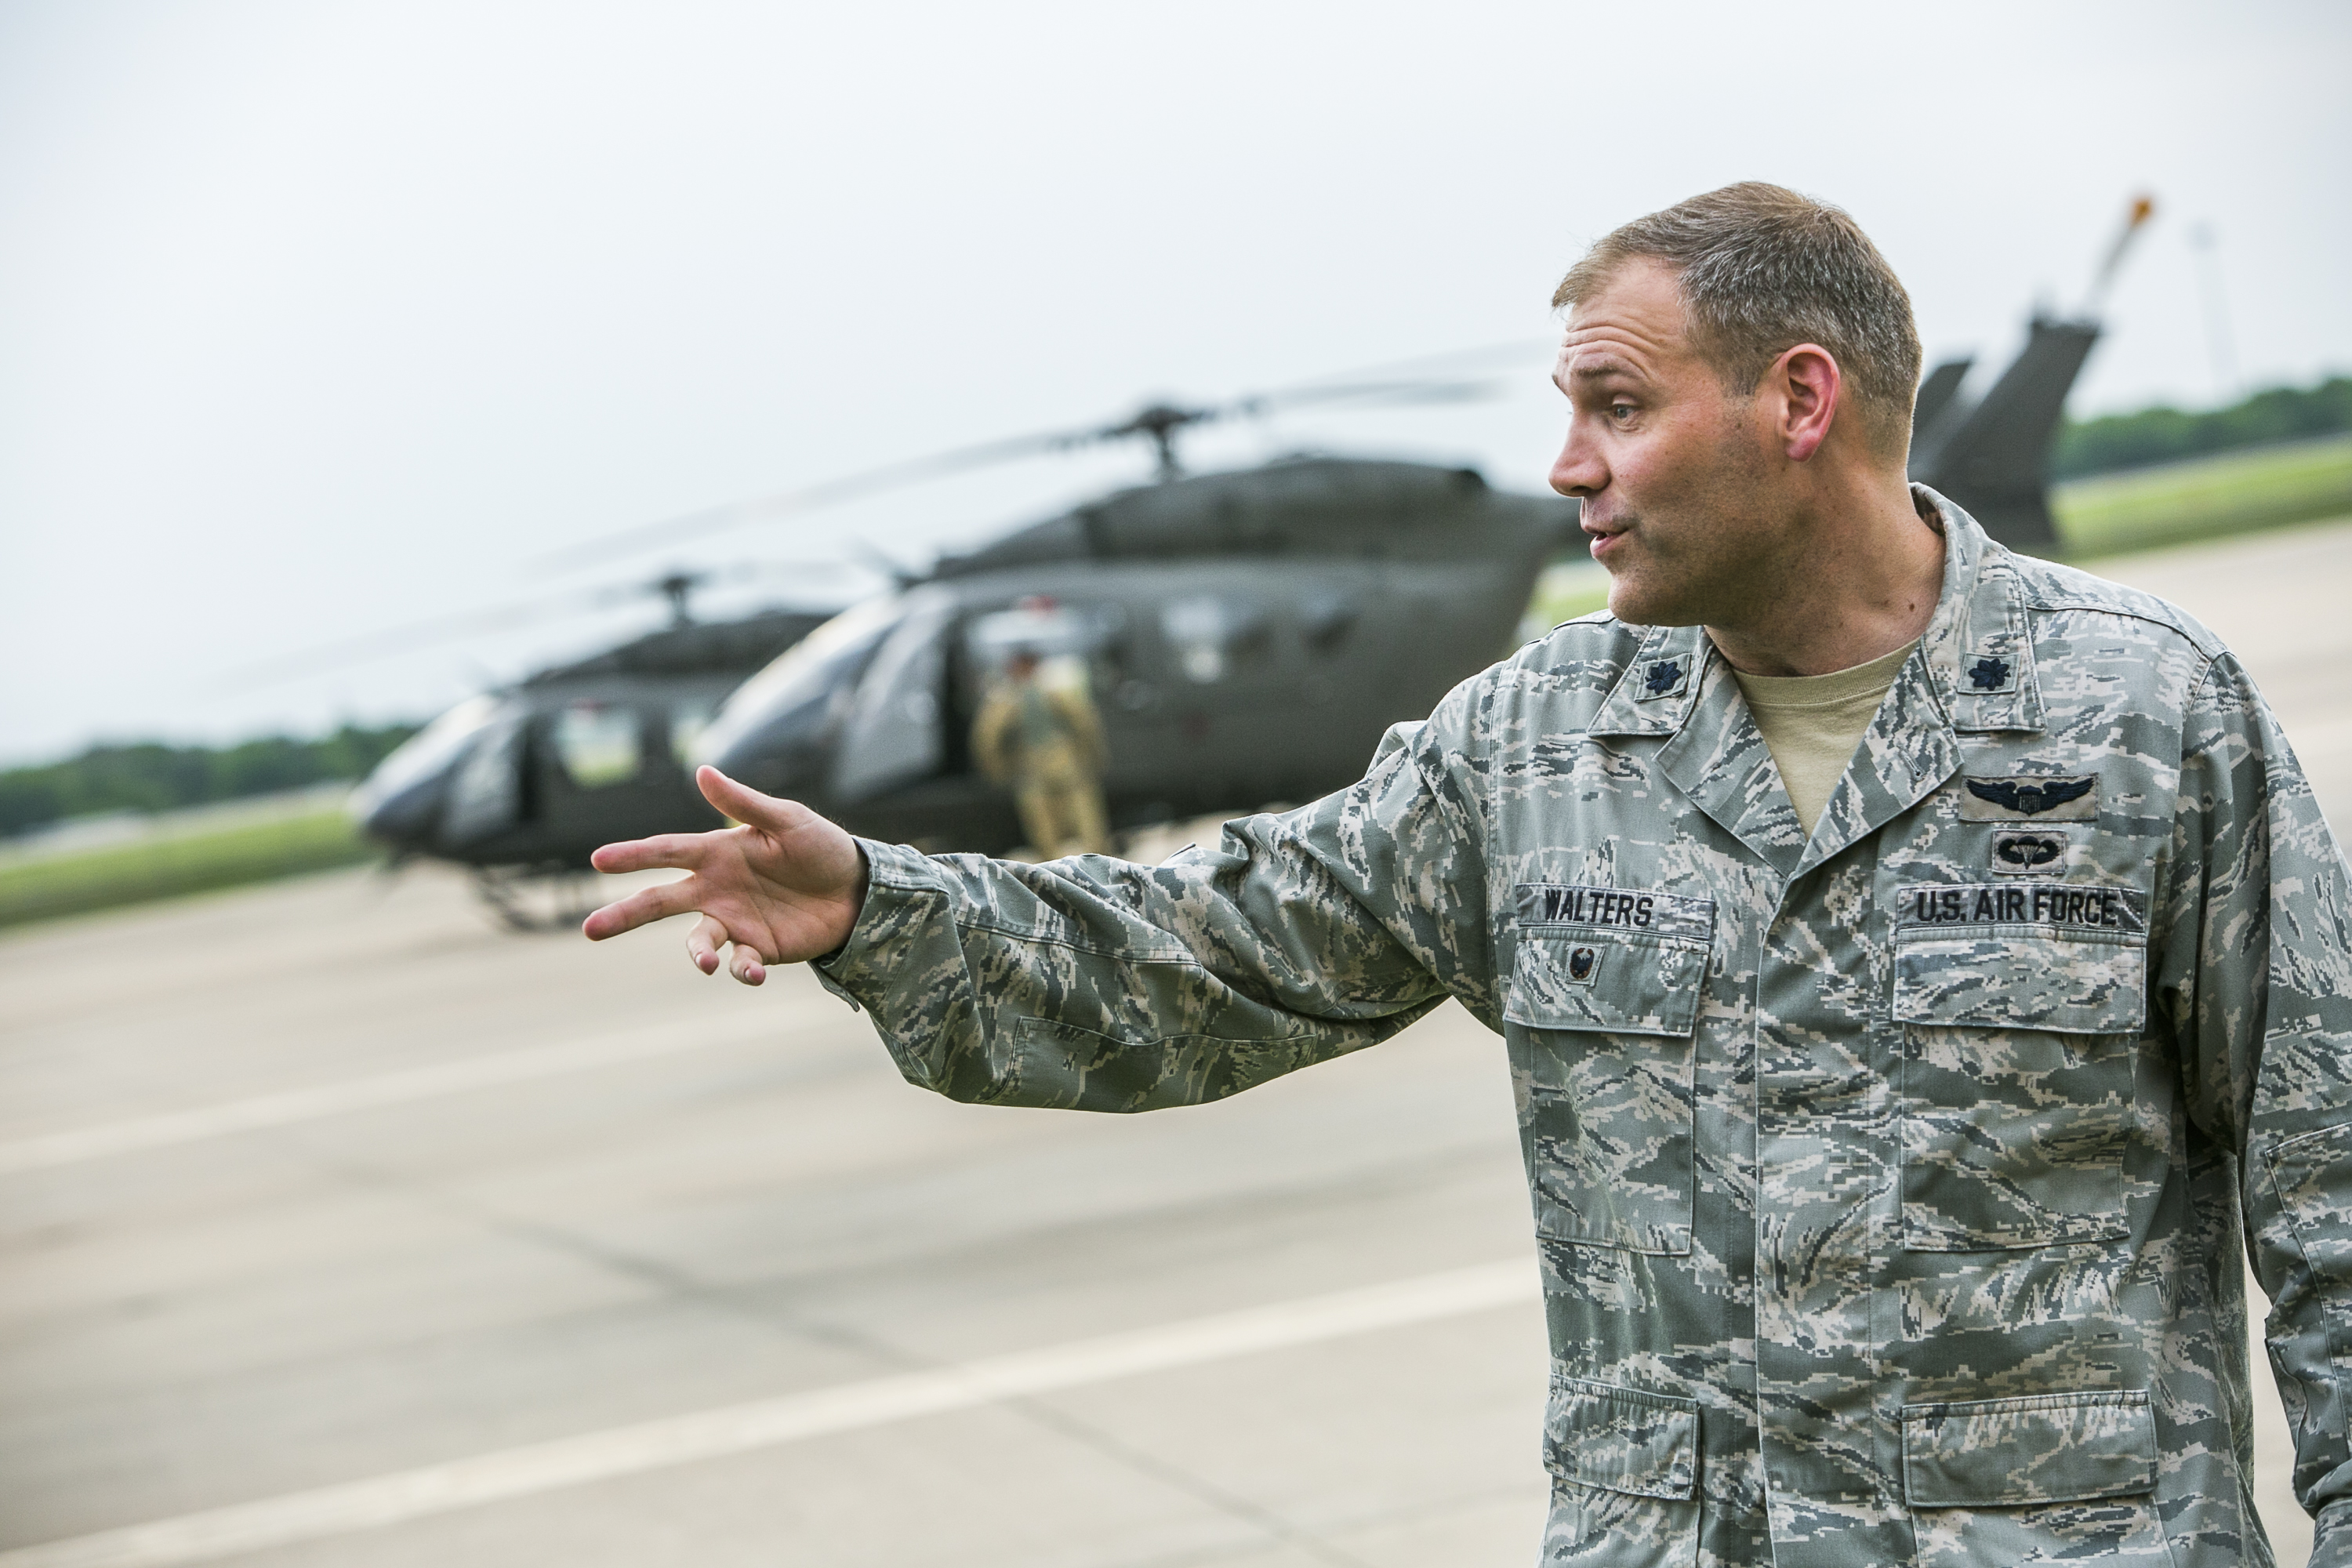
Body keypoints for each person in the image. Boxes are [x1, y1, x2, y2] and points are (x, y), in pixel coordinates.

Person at [581, 183, 2352, 1566]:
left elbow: (2331, 1200)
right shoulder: (1529, 748)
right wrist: (886, 904)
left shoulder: (2142, 713)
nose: (1565, 464)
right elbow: (1211, 953)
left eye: (1614, 404)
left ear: (1795, 401)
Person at [967, 645, 1110, 858]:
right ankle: (1054, 872)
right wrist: (998, 770)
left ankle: (1098, 862)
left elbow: (1084, 724)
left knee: (1087, 824)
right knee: (1044, 831)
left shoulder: (1056, 689)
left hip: (1064, 763)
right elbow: (987, 739)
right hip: (1032, 768)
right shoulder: (1005, 699)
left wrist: (1092, 756)